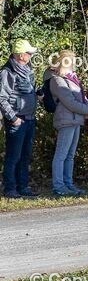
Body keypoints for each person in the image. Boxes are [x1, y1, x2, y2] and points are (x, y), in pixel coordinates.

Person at [46, 50, 88, 196]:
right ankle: (59, 186)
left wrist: (86, 109)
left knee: (70, 155)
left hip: (75, 120)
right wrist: (87, 110)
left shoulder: (72, 78)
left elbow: (80, 97)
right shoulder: (57, 80)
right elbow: (69, 101)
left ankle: (69, 184)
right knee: (61, 154)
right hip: (66, 120)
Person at [0, 39, 41, 198]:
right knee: (13, 156)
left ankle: (23, 186)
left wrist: (38, 93)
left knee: (25, 156)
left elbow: (30, 89)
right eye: (29, 53)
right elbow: (2, 98)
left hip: (30, 118)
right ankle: (10, 188)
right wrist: (13, 118)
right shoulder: (7, 72)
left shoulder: (27, 69)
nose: (31, 55)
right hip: (17, 120)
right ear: (20, 55)